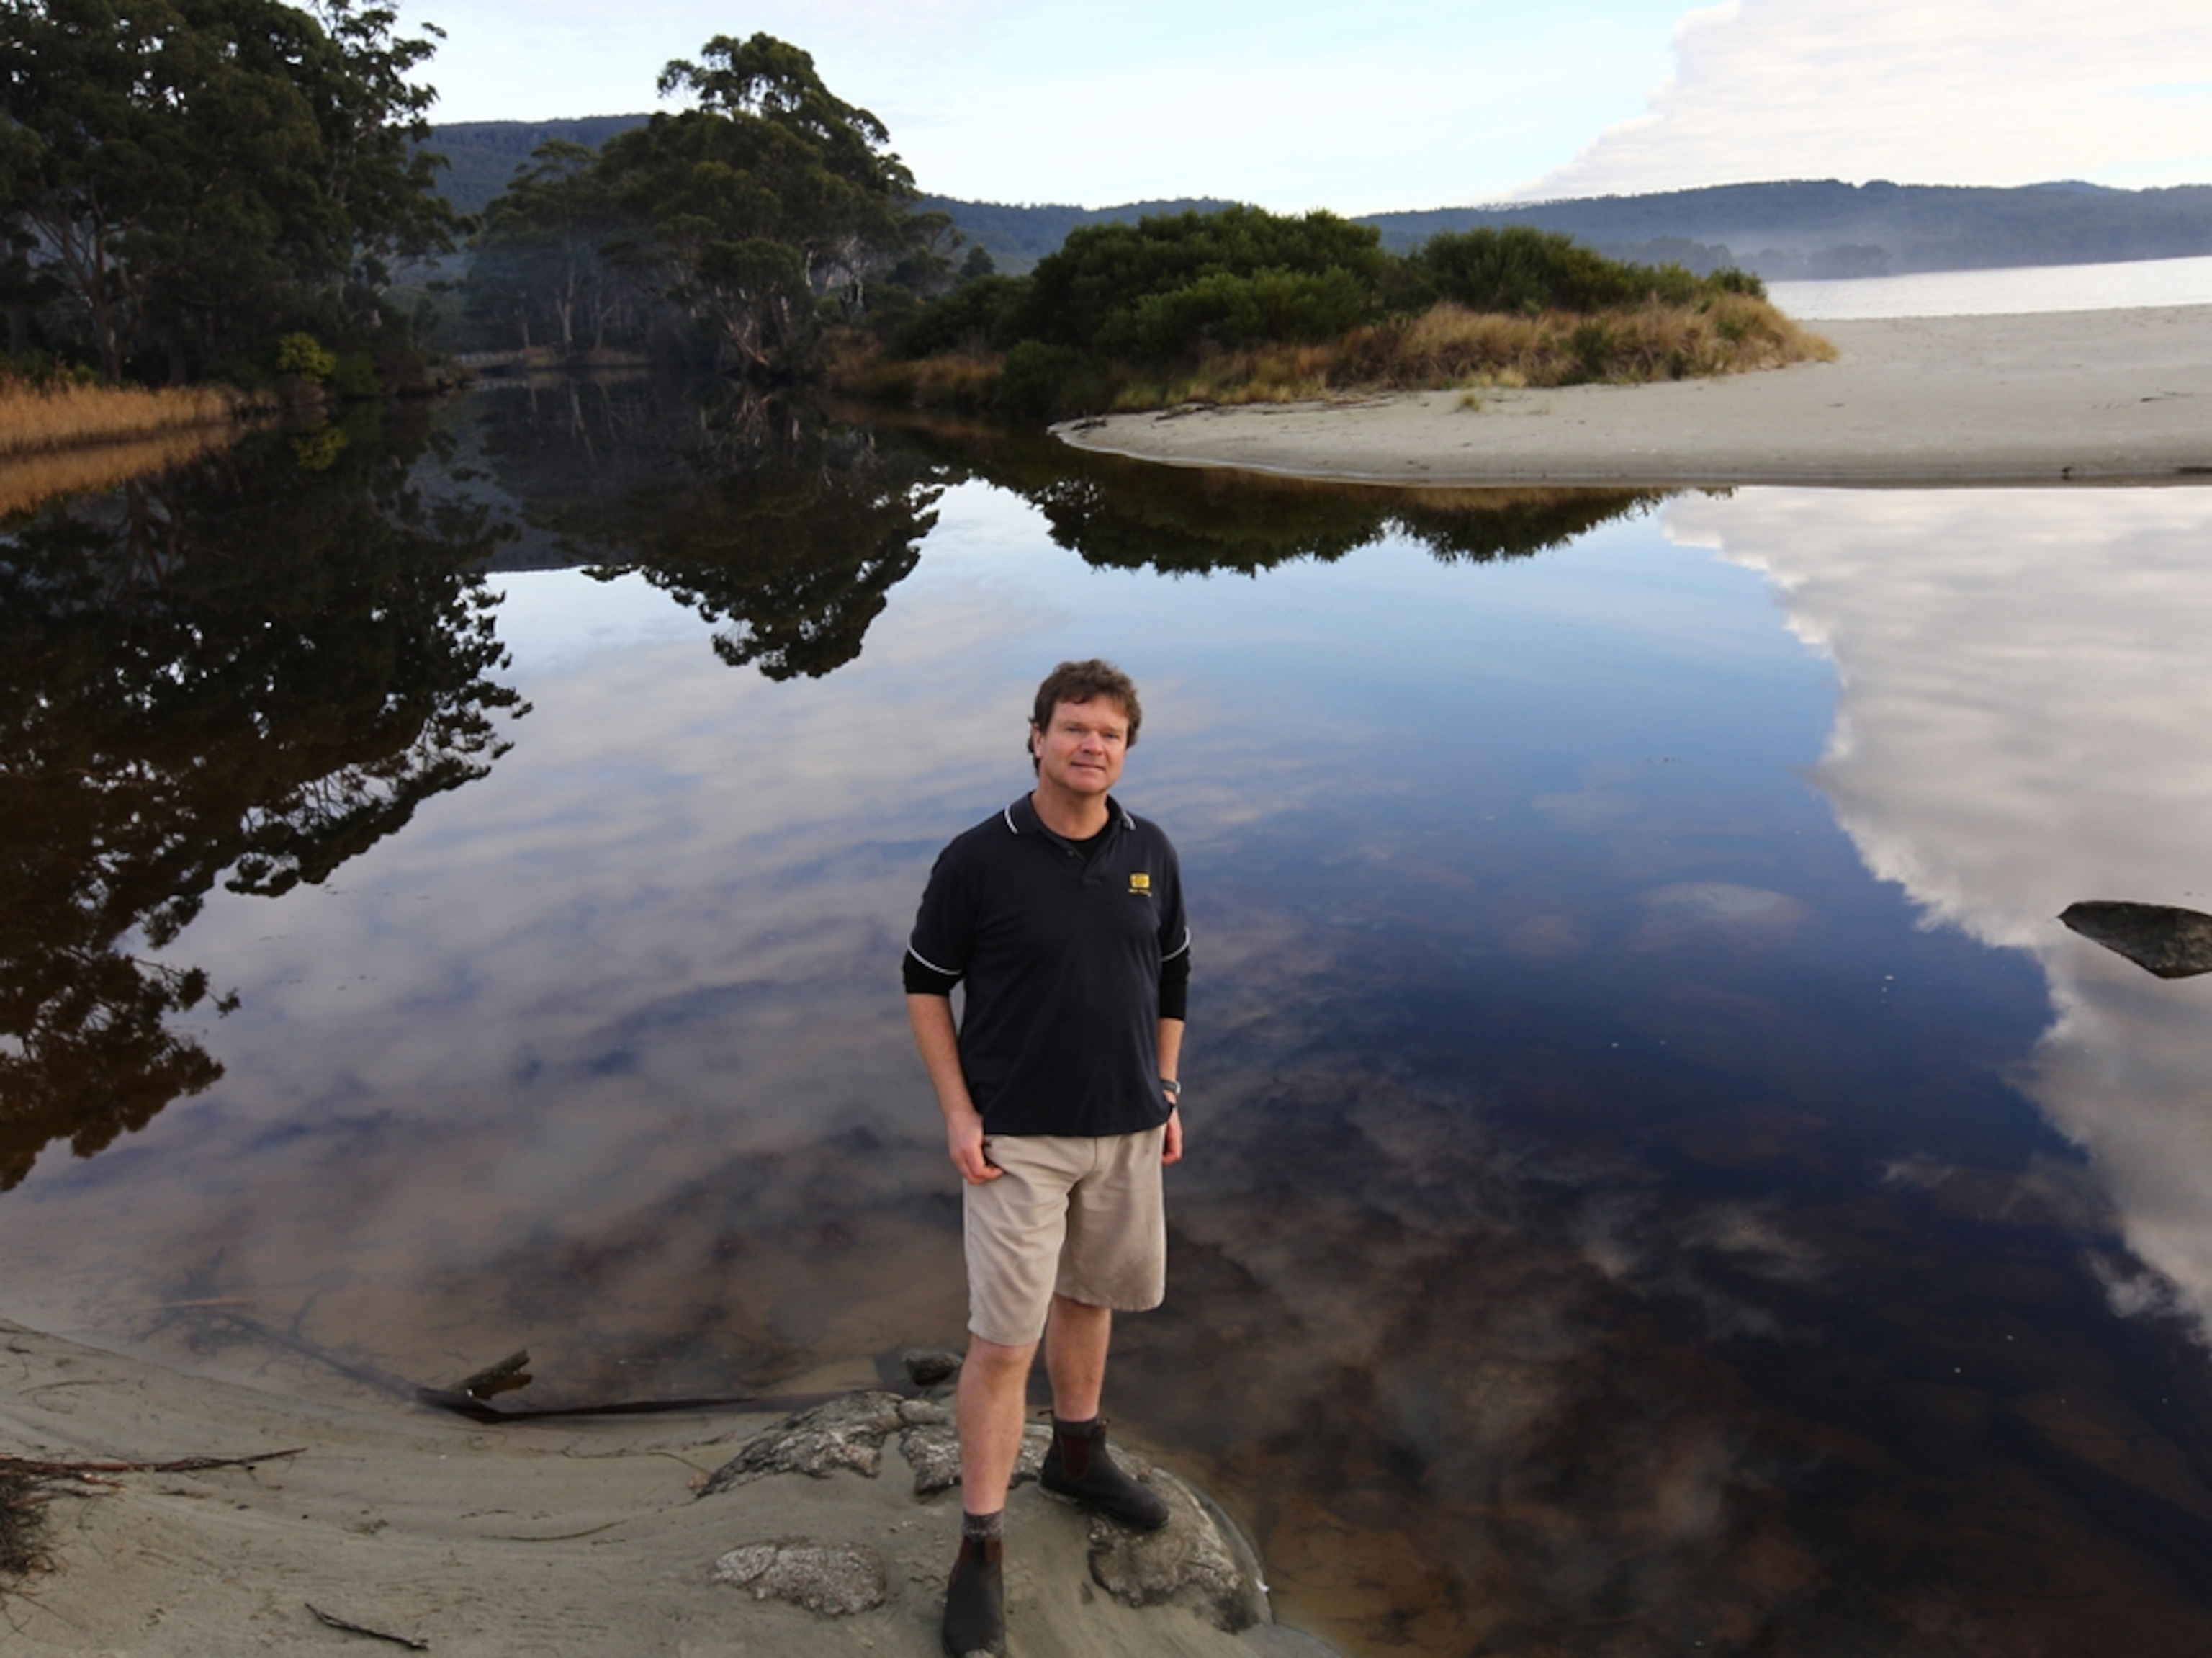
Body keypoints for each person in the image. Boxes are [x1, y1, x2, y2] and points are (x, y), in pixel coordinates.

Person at [904, 658, 1191, 1658]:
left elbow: (1173, 971)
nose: (1091, 746)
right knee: (1001, 1339)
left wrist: (1167, 1088)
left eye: (1110, 734)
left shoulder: (1149, 847)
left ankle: (1077, 1452)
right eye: (1074, 728)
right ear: (1036, 736)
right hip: (1016, 1138)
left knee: (1092, 1295)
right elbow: (925, 983)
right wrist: (957, 1111)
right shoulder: (979, 858)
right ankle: (981, 1544)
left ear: (1125, 748)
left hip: (1124, 1127)